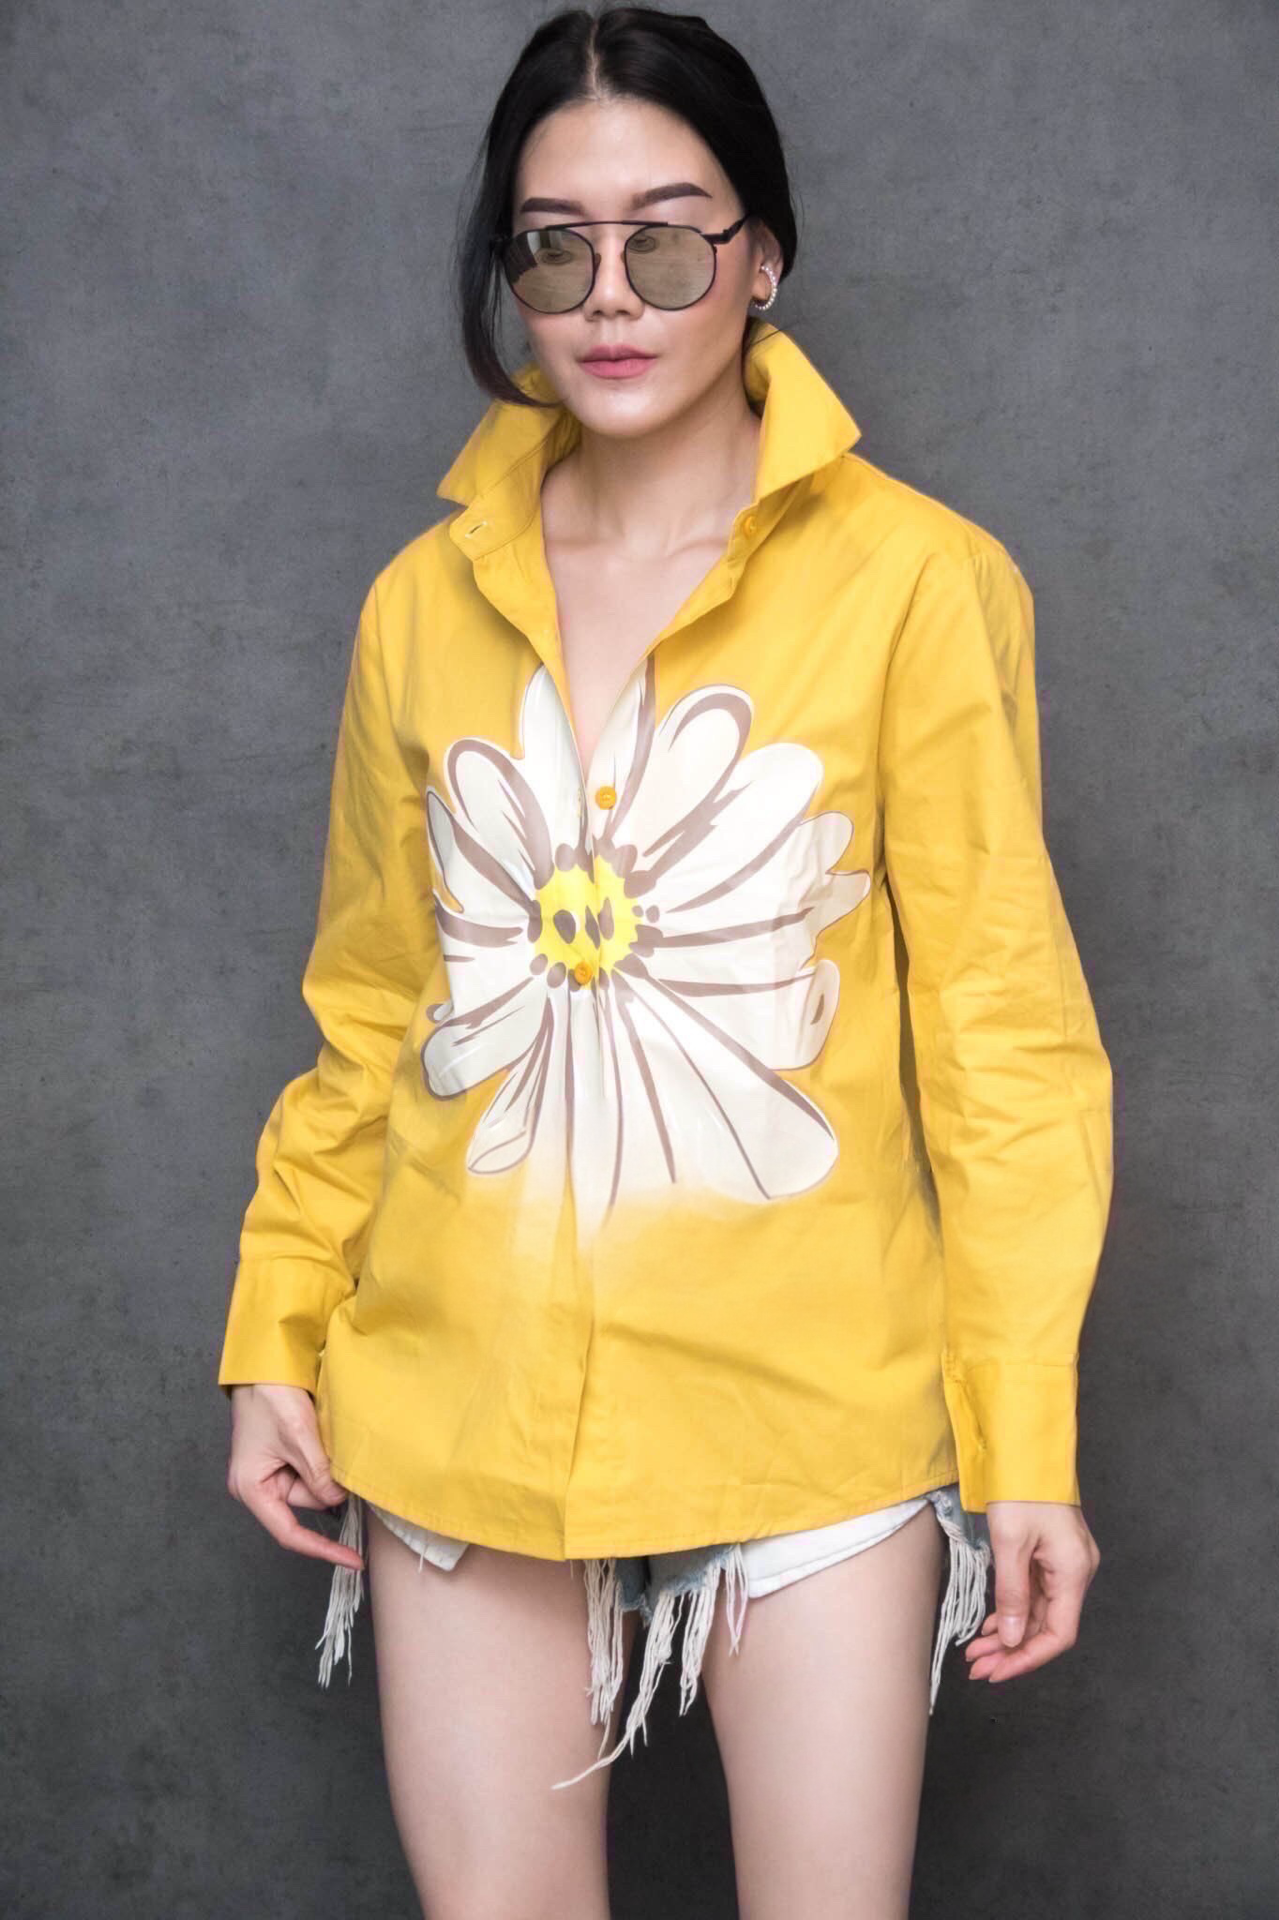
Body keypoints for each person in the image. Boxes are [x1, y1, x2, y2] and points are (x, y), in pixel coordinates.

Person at [218, 7, 1113, 1915]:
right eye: (555, 246)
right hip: (454, 1400)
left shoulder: (916, 583)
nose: (610, 295)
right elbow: (372, 1007)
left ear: (760, 258)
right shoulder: (418, 603)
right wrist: (275, 1326)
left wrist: (1023, 1443)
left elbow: (1004, 1041)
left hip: (812, 1410)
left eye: (669, 240)